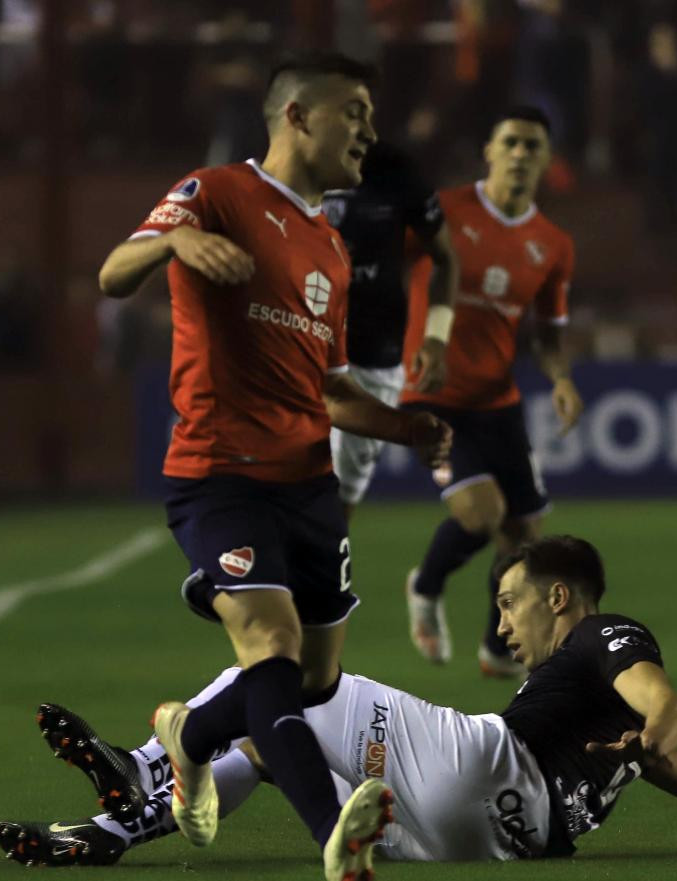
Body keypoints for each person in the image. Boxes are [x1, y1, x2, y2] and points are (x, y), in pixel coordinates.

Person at [94, 52, 452, 881]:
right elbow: (113, 274)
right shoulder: (214, 193)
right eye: (353, 111)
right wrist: (176, 237)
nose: (369, 128)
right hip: (220, 472)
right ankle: (336, 836)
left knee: (316, 679)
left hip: (307, 484)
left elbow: (328, 390)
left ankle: (187, 736)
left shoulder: (328, 245)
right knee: (274, 647)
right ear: (296, 116)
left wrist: (406, 426)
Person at [0, 535, 677, 867]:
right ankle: (116, 830)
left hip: (484, 763)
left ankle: (147, 760)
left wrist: (652, 725)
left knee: (286, 670)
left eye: (509, 599)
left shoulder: (601, 634)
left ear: (562, 597)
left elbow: (668, 710)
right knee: (273, 743)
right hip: (496, 840)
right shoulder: (595, 716)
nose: (501, 621)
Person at [399, 106, 583, 675]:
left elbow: (548, 334)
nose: (522, 154)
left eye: (534, 145)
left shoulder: (552, 245)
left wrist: (561, 380)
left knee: (525, 535)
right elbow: (374, 265)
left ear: (547, 160)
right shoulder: (444, 211)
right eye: (512, 143)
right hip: (431, 391)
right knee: (481, 514)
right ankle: (425, 586)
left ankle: (496, 649)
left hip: (497, 402)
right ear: (489, 150)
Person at [321, 140, 459, 520]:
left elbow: (445, 259)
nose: (359, 125)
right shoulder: (283, 175)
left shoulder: (397, 175)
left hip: (372, 359)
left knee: (340, 497)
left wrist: (435, 336)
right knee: (285, 487)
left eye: (363, 110)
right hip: (298, 350)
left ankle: (322, 577)